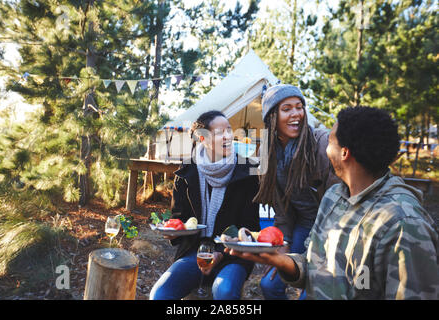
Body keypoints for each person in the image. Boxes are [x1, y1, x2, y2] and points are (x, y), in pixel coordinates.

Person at [228, 106, 439, 299]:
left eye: (329, 141)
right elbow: (314, 264)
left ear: (345, 153)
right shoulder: (333, 197)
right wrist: (281, 261)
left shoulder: (403, 225)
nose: (325, 149)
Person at [149, 110, 260, 300]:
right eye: (219, 133)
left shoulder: (246, 172)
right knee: (160, 294)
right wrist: (172, 231)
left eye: (229, 130)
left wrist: (221, 253)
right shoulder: (186, 172)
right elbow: (179, 218)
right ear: (203, 138)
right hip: (195, 252)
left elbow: (250, 226)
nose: (227, 136)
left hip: (233, 255)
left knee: (224, 291)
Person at [253, 84, 339, 299]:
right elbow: (281, 206)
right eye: (287, 109)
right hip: (302, 225)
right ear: (272, 116)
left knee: (310, 293)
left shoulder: (322, 144)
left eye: (299, 107)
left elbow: (340, 203)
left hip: (331, 229)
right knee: (270, 284)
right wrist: (284, 243)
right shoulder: (267, 153)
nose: (296, 114)